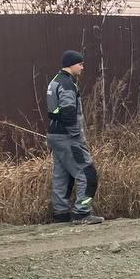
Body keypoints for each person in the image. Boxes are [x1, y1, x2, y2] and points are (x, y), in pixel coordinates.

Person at [46, 50, 103, 224]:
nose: (82, 67)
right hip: (68, 137)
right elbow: (69, 111)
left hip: (55, 135)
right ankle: (82, 213)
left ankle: (61, 214)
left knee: (61, 175)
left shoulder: (54, 82)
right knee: (87, 173)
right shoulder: (67, 84)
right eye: (80, 64)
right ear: (72, 64)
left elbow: (55, 111)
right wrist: (76, 135)